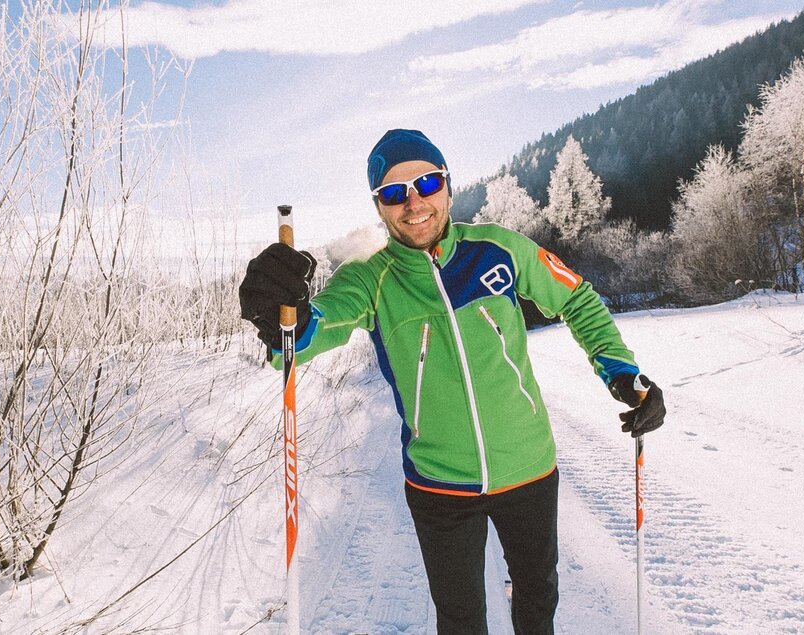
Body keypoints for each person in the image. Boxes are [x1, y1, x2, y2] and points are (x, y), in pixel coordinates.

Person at [238, 129, 666, 634]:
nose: (413, 203)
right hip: (439, 485)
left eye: (426, 183)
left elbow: (575, 297)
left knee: (537, 597)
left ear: (447, 185)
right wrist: (277, 314)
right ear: (379, 206)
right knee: (460, 620)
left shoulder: (497, 250)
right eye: (394, 193)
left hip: (529, 467)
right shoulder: (370, 280)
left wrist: (619, 370)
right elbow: (306, 334)